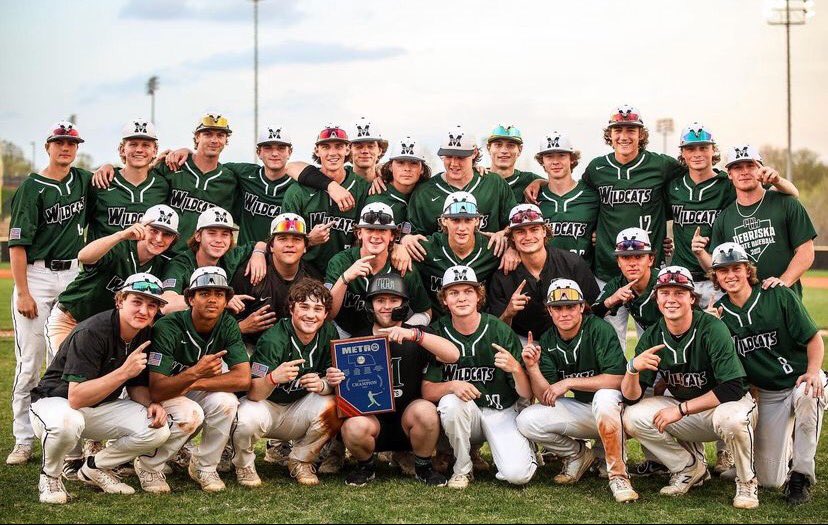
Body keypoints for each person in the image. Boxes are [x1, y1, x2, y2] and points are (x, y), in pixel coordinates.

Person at [29, 274, 191, 503]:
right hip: (55, 403)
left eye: (152, 305)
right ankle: (50, 475)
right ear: (120, 301)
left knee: (158, 428)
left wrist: (151, 404)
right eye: (137, 301)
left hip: (99, 406)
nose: (144, 310)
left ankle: (96, 466)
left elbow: (136, 386)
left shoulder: (143, 333)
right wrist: (124, 371)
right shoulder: (92, 332)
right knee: (68, 422)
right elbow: (76, 397)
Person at [622, 266, 759, 509]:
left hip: (726, 406)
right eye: (665, 293)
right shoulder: (653, 335)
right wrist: (632, 369)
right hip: (690, 412)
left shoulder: (711, 328)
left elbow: (733, 387)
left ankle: (747, 480)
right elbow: (632, 397)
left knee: (733, 419)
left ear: (692, 298)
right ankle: (689, 467)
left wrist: (681, 409)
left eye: (679, 292)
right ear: (656, 299)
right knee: (632, 416)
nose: (671, 299)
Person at [711, 242, 826, 504]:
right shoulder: (718, 314)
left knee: (810, 393)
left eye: (736, 268)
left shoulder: (777, 294)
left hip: (799, 379)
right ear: (715, 276)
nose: (730, 275)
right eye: (723, 270)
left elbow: (814, 339)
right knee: (771, 480)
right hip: (769, 394)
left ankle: (801, 475)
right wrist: (711, 328)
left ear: (747, 269)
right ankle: (783, 456)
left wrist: (812, 371)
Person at [325, 273, 460, 487]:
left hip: (410, 423)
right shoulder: (355, 341)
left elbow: (453, 355)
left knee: (426, 410)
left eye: (393, 300)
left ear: (404, 303)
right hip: (373, 423)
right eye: (380, 300)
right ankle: (366, 466)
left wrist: (415, 336)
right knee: (353, 425)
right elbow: (343, 390)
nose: (386, 306)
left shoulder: (418, 334)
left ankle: (423, 465)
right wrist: (334, 379)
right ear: (370, 305)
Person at [8, 120, 91, 465]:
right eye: (59, 143)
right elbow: (17, 245)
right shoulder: (31, 187)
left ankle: (65, 433)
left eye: (71, 143)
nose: (66, 148)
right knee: (30, 361)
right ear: (48, 147)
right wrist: (24, 292)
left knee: (69, 357)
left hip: (73, 272)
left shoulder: (84, 180)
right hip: (37, 274)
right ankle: (23, 437)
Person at [516, 279, 637, 503]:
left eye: (571, 306)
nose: (565, 313)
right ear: (549, 310)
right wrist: (532, 368)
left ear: (582, 306)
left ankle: (619, 476)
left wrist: (569, 382)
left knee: (604, 397)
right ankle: (579, 455)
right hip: (586, 412)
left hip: (619, 413)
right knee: (527, 420)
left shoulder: (599, 329)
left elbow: (618, 379)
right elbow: (547, 397)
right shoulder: (550, 338)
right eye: (558, 308)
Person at [422, 265, 537, 489]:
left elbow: (526, 393)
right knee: (450, 402)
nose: (461, 298)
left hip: (501, 411)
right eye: (453, 293)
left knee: (517, 475)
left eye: (468, 291)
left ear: (478, 296)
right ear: (444, 299)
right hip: (466, 415)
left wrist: (516, 369)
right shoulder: (437, 332)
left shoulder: (499, 330)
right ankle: (462, 468)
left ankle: (526, 447)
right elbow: (427, 390)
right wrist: (452, 385)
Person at [668, 124, 798, 305]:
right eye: (690, 148)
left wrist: (779, 179)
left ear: (713, 150)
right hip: (683, 275)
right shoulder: (673, 187)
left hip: (720, 276)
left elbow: (791, 193)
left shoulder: (728, 182)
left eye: (704, 147)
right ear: (683, 153)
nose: (697, 153)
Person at [148, 267, 252, 492]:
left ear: (226, 301)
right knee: (190, 414)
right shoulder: (168, 326)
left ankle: (204, 466)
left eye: (219, 294)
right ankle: (149, 465)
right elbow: (156, 389)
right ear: (190, 299)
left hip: (184, 386)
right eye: (204, 293)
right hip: (153, 395)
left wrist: (194, 382)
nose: (212, 300)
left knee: (226, 402)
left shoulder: (227, 323)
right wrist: (195, 372)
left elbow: (243, 378)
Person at [231, 278, 342, 487]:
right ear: (292, 308)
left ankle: (300, 460)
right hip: (266, 406)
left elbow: (331, 377)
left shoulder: (328, 332)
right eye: (304, 307)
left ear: (326, 314)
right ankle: (244, 464)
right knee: (245, 419)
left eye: (318, 309)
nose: (311, 315)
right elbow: (252, 393)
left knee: (335, 406)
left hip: (298, 407)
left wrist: (323, 384)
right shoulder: (274, 339)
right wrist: (273, 378)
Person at [46, 204, 179, 354]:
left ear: (174, 238)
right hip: (72, 320)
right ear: (141, 227)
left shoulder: (162, 265)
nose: (159, 238)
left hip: (106, 331)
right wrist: (120, 235)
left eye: (167, 234)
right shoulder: (120, 247)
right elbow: (84, 257)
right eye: (153, 230)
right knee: (64, 368)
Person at [693, 144, 816, 297]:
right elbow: (717, 266)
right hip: (744, 304)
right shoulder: (724, 218)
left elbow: (806, 251)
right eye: (737, 167)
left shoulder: (786, 203)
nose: (744, 172)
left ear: (761, 169)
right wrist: (700, 253)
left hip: (785, 298)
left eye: (750, 165)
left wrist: (783, 282)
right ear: (729, 174)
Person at [488, 204, 599, 341]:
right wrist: (508, 313)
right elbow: (496, 331)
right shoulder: (503, 274)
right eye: (520, 232)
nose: (528, 237)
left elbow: (595, 311)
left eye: (534, 229)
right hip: (524, 340)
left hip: (570, 338)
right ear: (512, 237)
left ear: (544, 231)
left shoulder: (572, 263)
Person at [326, 202, 432, 338]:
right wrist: (345, 278)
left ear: (392, 235)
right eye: (369, 229)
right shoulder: (341, 262)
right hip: (345, 333)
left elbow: (425, 312)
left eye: (382, 230)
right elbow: (327, 315)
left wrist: (405, 331)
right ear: (359, 233)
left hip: (393, 336)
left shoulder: (403, 266)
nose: (376, 236)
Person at [282, 125, 370, 275]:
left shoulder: (361, 188)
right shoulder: (298, 191)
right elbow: (283, 241)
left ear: (348, 149)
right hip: (305, 269)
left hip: (349, 268)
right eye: (325, 147)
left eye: (339, 146)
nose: (332, 153)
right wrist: (309, 240)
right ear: (317, 151)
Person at [405, 126, 516, 241]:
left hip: (490, 257)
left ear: (474, 153)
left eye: (460, 157)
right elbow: (413, 237)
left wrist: (504, 233)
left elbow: (514, 222)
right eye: (448, 156)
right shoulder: (424, 192)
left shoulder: (494, 183)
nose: (454, 163)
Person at [230, 213, 322, 346]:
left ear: (305, 247)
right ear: (271, 246)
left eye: (296, 239)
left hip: (294, 348)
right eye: (282, 239)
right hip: (248, 345)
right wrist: (242, 326)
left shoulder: (313, 278)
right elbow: (222, 324)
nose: (290, 244)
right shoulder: (249, 273)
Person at [407, 192, 504, 317]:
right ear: (444, 220)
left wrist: (513, 251)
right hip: (436, 324)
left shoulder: (492, 248)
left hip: (479, 324)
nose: (462, 228)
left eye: (468, 220)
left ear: (477, 220)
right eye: (455, 220)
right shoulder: (427, 248)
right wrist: (400, 247)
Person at [160, 206, 266, 312]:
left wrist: (259, 253)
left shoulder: (230, 256)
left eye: (225, 234)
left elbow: (260, 245)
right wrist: (221, 301)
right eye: (212, 233)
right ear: (198, 236)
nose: (219, 240)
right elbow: (166, 304)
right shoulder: (180, 264)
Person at [86, 118, 169, 241]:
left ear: (155, 151)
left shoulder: (162, 185)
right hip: (104, 260)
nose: (139, 150)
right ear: (122, 150)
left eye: (146, 145)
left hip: (146, 260)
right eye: (133, 144)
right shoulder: (102, 181)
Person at [224, 125, 297, 245]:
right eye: (268, 148)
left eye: (281, 148)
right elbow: (213, 167)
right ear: (259, 152)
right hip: (245, 257)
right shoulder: (245, 173)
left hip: (280, 259)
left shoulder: (298, 185)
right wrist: (188, 152)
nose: (274, 153)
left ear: (290, 152)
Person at [533, 131, 598, 264]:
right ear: (542, 161)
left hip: (583, 274)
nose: (555, 162)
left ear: (572, 158)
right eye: (549, 156)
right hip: (546, 274)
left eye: (562, 156)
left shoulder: (591, 195)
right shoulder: (534, 197)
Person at [591, 228, 660, 345]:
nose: (632, 263)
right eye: (625, 257)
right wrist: (611, 300)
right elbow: (591, 317)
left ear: (650, 260)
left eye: (638, 257)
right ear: (618, 261)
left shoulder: (665, 281)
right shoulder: (617, 284)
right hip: (649, 339)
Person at [365, 136, 431, 232]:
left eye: (413, 163)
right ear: (390, 167)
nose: (407, 168)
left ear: (422, 169)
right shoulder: (377, 199)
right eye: (400, 162)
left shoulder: (426, 193)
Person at [485, 124, 542, 203]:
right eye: (498, 145)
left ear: (520, 150)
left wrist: (541, 182)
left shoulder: (530, 180)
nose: (504, 151)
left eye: (510, 145)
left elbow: (559, 186)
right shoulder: (478, 178)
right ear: (488, 148)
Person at [348, 117, 388, 182]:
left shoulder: (391, 181)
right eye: (358, 146)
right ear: (349, 151)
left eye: (370, 146)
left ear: (380, 151)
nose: (365, 151)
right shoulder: (338, 183)